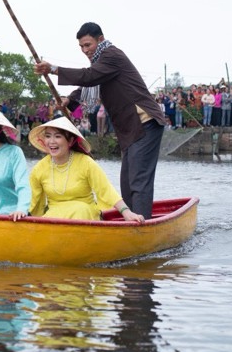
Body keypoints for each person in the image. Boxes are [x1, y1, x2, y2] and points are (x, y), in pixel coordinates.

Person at [35, 22, 167, 219]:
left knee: (139, 181)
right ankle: (131, 220)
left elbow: (89, 77)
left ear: (100, 39)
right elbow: (88, 84)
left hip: (144, 122)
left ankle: (142, 228)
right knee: (127, 183)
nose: (85, 50)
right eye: (81, 47)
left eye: (88, 45)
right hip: (129, 128)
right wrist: (69, 100)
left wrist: (53, 69)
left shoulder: (112, 55)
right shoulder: (100, 63)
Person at [28, 117, 144, 223]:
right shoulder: (39, 168)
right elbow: (32, 199)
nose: (51, 141)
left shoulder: (86, 163)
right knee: (48, 220)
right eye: (48, 136)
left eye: (58, 136)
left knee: (80, 210)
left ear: (70, 141)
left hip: (84, 213)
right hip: (55, 215)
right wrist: (20, 212)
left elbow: (106, 190)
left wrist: (126, 211)